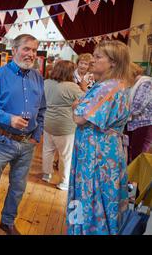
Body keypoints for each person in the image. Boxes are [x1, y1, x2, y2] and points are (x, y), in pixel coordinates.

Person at [0, 34, 46, 235]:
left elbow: (42, 110)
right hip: (0, 140)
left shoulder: (38, 78)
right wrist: (9, 119)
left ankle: (7, 221)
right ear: (14, 50)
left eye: (34, 50)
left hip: (27, 144)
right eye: (26, 49)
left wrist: (36, 136)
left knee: (18, 188)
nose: (31, 54)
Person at [67, 40, 131, 235]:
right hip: (101, 150)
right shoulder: (113, 85)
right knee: (102, 196)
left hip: (96, 154)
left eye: (98, 57)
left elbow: (79, 118)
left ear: (113, 62)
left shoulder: (106, 88)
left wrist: (76, 106)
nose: (92, 61)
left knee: (91, 197)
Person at [42, 60, 84, 191]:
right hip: (65, 125)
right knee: (65, 155)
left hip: (47, 121)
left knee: (48, 150)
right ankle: (64, 182)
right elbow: (87, 100)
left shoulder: (46, 83)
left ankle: (46, 174)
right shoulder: (72, 87)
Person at [125, 63, 151, 163]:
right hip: (131, 123)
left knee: (137, 153)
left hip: (142, 123)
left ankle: (135, 177)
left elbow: (138, 106)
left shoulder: (146, 82)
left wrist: (121, 114)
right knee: (129, 152)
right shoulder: (132, 84)